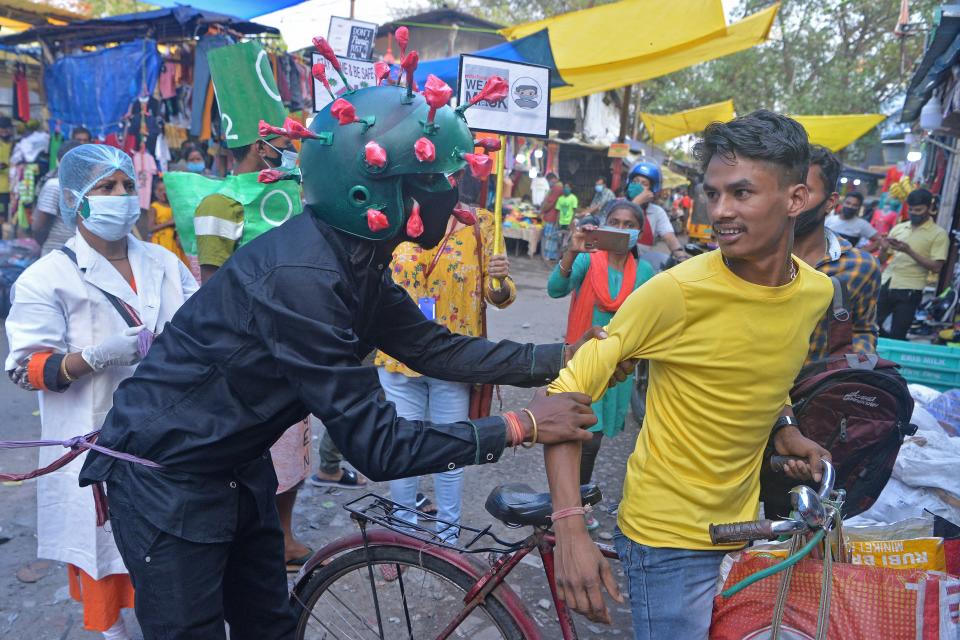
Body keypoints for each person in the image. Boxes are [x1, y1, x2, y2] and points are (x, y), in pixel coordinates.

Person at [77, 56, 625, 638]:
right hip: (168, 479)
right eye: (432, 180)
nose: (447, 193)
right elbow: (378, 447)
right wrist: (521, 425)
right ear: (372, 190)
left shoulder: (356, 259)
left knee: (271, 625)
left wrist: (557, 359)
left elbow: (434, 349)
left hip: (238, 467)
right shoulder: (303, 277)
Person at [543, 111, 834, 637]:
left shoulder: (816, 292)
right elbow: (565, 394)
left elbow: (762, 372)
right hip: (667, 541)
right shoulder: (675, 292)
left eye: (742, 193)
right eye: (714, 193)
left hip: (744, 529)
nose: (721, 211)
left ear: (796, 199)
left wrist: (786, 428)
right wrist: (570, 534)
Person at [4, 144, 198, 640]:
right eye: (105, 188)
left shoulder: (164, 263)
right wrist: (93, 357)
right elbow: (25, 369)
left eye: (127, 186)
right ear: (76, 200)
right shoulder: (45, 278)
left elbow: (204, 330)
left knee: (175, 568)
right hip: (98, 448)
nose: (121, 196)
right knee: (106, 562)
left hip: (171, 443)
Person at [181, 41, 312, 569]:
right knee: (254, 447)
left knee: (294, 444)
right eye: (282, 142)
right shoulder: (220, 203)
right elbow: (214, 288)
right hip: (246, 349)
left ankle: (281, 532)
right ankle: (251, 535)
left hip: (293, 344)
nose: (289, 149)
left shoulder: (291, 195)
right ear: (262, 148)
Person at [375, 199, 516, 544]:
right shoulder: (390, 214)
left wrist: (499, 279)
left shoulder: (479, 222)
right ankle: (403, 531)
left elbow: (498, 296)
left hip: (452, 358)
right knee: (402, 447)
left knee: (450, 450)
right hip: (397, 356)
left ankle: (447, 536)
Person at [548, 200, 655, 530]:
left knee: (592, 440)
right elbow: (555, 289)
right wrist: (571, 252)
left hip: (616, 369)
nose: (621, 229)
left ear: (638, 231)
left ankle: (574, 505)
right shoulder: (588, 260)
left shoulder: (647, 274)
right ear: (604, 225)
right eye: (615, 221)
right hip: (581, 362)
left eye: (628, 223)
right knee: (573, 432)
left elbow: (651, 317)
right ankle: (566, 506)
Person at [792, 145, 881, 362]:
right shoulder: (753, 256)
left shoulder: (860, 267)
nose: (791, 201)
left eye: (804, 192)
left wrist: (854, 376)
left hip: (816, 389)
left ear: (830, 203)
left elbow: (862, 329)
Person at [877, 188, 948, 340]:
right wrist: (883, 248)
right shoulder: (899, 228)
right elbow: (883, 259)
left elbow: (936, 267)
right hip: (887, 283)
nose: (914, 213)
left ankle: (889, 361)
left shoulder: (938, 234)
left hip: (910, 290)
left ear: (930, 209)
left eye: (919, 210)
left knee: (898, 334)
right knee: (870, 327)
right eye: (911, 209)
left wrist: (909, 251)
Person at [626, 161, 689, 261]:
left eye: (644, 183)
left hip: (641, 266)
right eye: (635, 181)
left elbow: (669, 236)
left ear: (651, 189)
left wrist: (681, 255)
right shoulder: (617, 204)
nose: (638, 185)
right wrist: (637, 202)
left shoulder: (657, 212)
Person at [32, 141, 82, 255]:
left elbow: (38, 227)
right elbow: (39, 227)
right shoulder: (56, 185)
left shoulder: (55, 185)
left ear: (58, 162)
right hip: (57, 252)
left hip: (68, 252)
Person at [146, 176, 189, 266]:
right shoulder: (154, 207)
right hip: (161, 242)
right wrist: (168, 223)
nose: (164, 193)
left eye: (166, 190)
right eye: (160, 190)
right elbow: (150, 228)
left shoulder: (174, 206)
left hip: (174, 242)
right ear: (155, 192)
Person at [541, 171, 564, 261]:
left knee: (550, 237)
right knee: (552, 237)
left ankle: (549, 256)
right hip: (554, 216)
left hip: (552, 216)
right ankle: (550, 255)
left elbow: (550, 203)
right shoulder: (559, 187)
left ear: (553, 179)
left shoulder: (556, 188)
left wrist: (542, 211)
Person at [0, 115, 14, 237]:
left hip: (13, 187)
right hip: (1, 187)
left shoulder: (15, 143)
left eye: (6, 128)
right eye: (2, 128)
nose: (4, 131)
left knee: (11, 215)